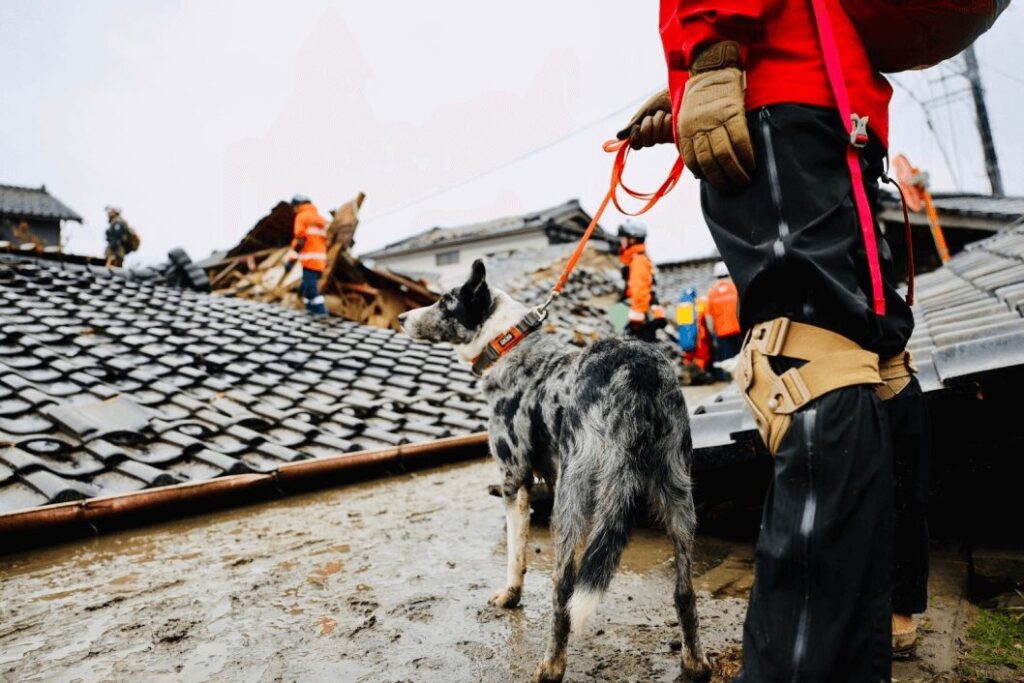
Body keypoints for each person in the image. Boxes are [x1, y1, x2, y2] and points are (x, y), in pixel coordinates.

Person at [619, 1, 931, 680]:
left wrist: (709, 45)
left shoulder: (639, 269)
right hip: (835, 101)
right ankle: (892, 609)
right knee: (877, 363)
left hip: (782, 91)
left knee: (811, 364)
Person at [618, 219, 666, 342]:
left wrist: (636, 319)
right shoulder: (638, 258)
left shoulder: (638, 261)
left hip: (641, 319)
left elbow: (640, 289)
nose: (621, 241)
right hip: (642, 316)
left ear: (632, 239)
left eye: (623, 238)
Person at [284, 194, 329, 316]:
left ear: (299, 205)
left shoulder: (301, 217)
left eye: (294, 207)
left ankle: (321, 313)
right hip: (320, 260)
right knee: (305, 287)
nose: (294, 210)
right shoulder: (320, 218)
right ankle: (310, 311)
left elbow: (300, 241)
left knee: (311, 289)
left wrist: (291, 260)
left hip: (310, 259)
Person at [705, 261, 742, 380]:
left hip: (722, 333)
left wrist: (712, 332)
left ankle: (730, 381)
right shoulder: (736, 288)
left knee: (727, 361)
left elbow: (708, 317)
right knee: (742, 358)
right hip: (738, 330)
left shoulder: (711, 293)